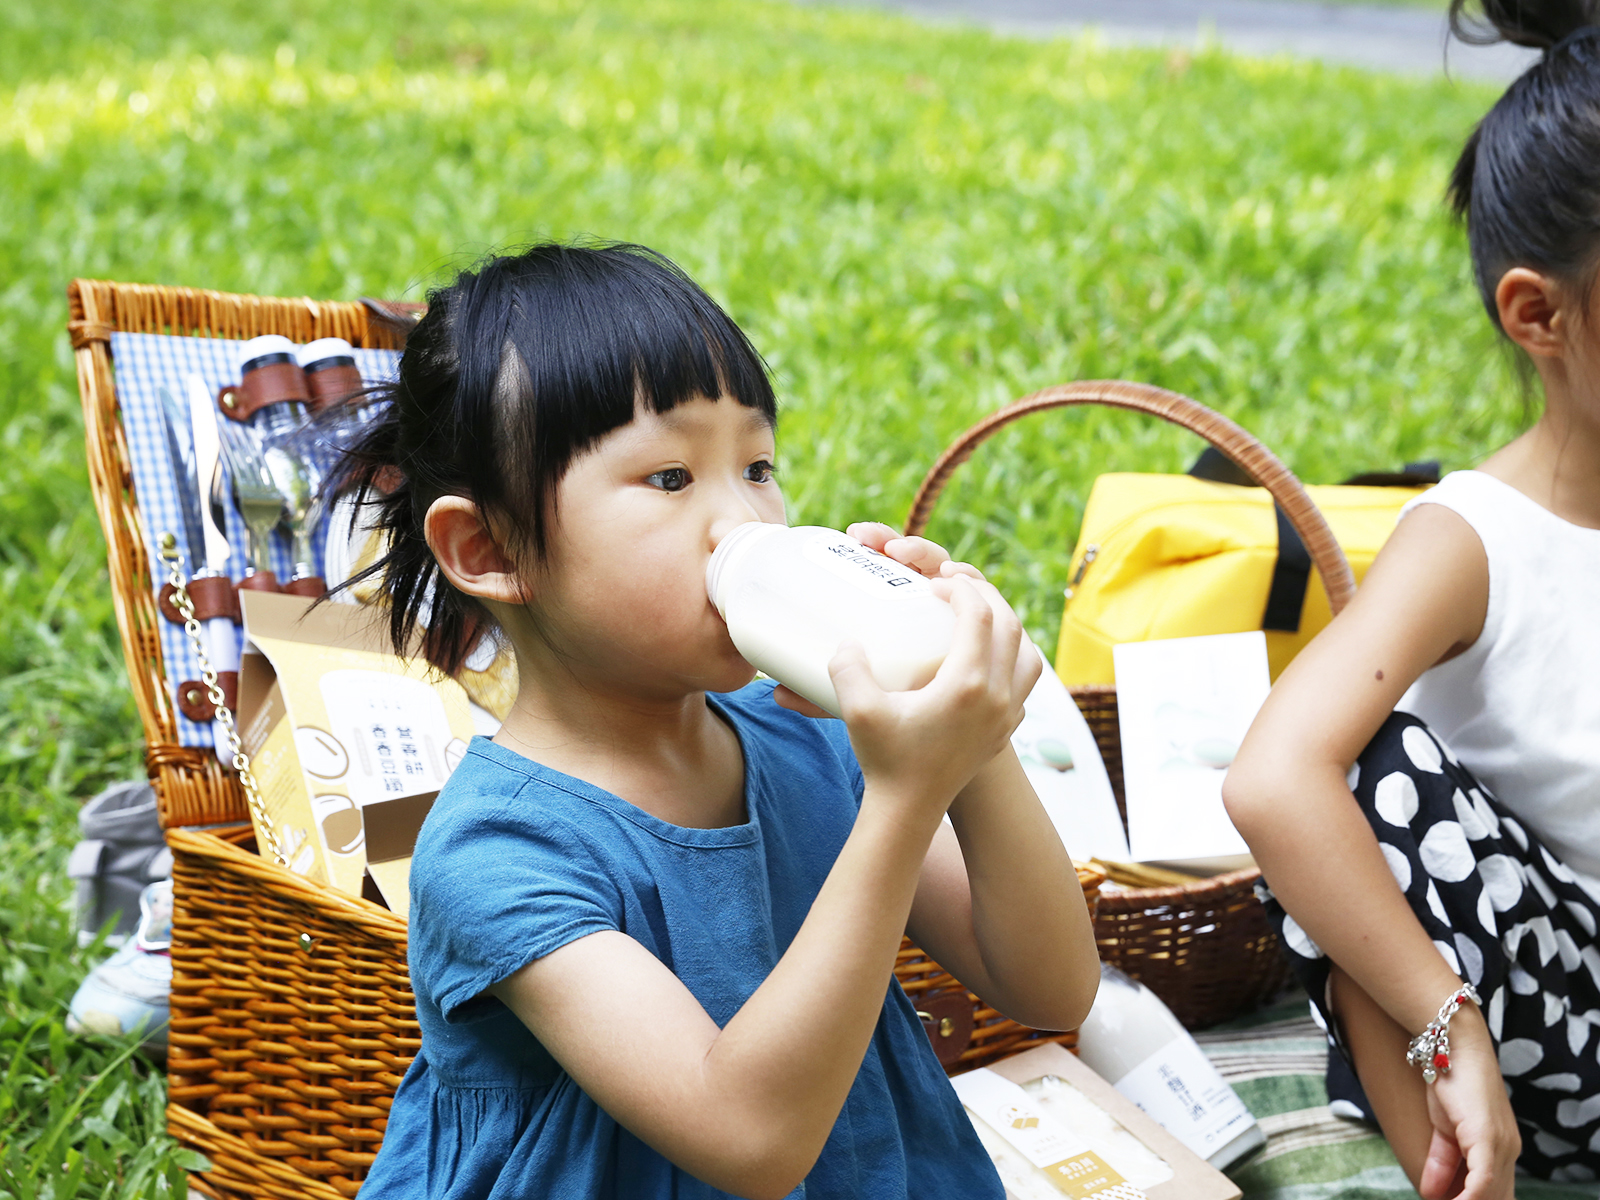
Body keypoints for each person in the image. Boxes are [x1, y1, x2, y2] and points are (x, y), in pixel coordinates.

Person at [344, 243, 1100, 1199]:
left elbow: (1049, 985)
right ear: (490, 549)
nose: (743, 521)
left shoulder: (806, 735)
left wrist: (970, 735)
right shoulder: (495, 854)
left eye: (757, 464)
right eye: (670, 478)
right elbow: (747, 1141)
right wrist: (906, 800)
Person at [1223, 4, 1600, 1196]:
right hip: (1555, 1025)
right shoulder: (1473, 538)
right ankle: (1452, 1153)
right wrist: (1452, 1021)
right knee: (1372, 777)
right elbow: (1272, 777)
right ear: (1539, 316)